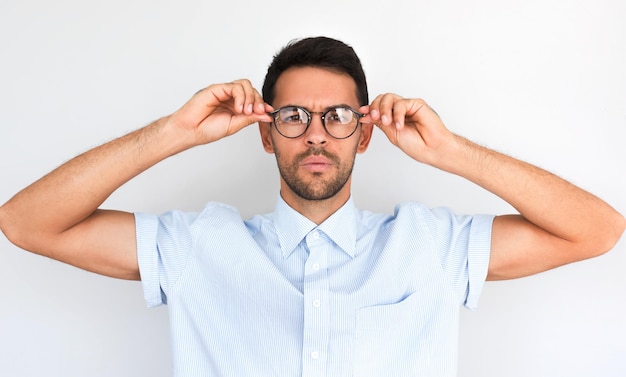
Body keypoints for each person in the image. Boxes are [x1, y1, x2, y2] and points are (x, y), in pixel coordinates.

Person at [0, 36, 623, 376]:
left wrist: (450, 153)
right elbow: (24, 222)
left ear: (366, 131)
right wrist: (175, 132)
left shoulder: (430, 245)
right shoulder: (195, 247)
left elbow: (598, 231)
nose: (318, 135)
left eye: (338, 117)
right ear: (266, 134)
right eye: (295, 117)